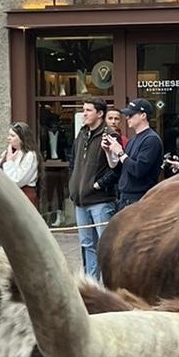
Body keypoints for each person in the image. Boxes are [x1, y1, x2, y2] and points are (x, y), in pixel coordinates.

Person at [67, 96, 116, 281]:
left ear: (100, 113)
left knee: (105, 246)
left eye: (88, 110)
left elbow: (116, 168)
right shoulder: (82, 133)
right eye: (84, 110)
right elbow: (73, 162)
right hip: (80, 201)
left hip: (100, 201)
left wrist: (99, 184)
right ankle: (91, 285)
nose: (84, 114)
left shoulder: (109, 135)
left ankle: (109, 285)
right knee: (87, 245)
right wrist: (73, 183)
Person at [112, 99, 164, 209]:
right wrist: (109, 151)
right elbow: (121, 169)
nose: (127, 118)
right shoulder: (133, 140)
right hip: (125, 198)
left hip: (139, 199)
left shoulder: (151, 140)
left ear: (143, 115)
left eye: (131, 115)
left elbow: (138, 170)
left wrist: (120, 153)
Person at [0, 121, 40, 205]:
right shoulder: (9, 152)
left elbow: (18, 181)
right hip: (10, 196)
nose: (8, 138)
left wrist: (9, 162)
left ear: (22, 138)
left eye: (12, 136)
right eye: (9, 135)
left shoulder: (30, 155)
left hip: (24, 197)